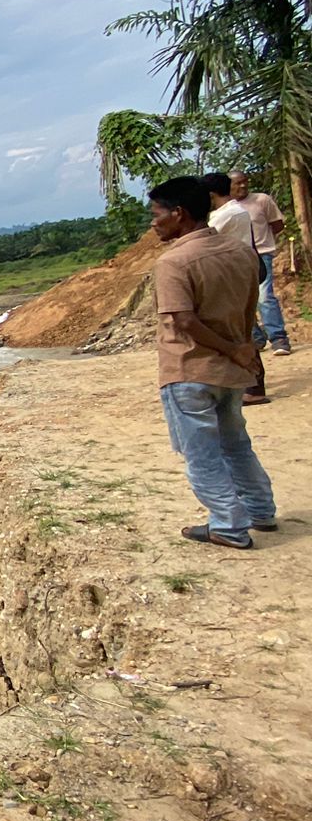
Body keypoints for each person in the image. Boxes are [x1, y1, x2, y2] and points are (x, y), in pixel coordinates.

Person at [148, 176, 276, 548]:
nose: (153, 223)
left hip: (189, 369)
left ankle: (227, 523)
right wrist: (239, 348)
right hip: (230, 371)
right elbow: (249, 305)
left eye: (157, 214)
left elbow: (184, 321)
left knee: (200, 453)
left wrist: (230, 348)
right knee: (236, 444)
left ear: (179, 213)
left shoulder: (173, 262)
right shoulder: (241, 253)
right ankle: (261, 511)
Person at [201, 173, 269, 404]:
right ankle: (251, 383)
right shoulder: (235, 211)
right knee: (243, 328)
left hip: (234, 274)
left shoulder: (226, 215)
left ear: (211, 195)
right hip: (240, 271)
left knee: (243, 331)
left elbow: (202, 236)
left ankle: (255, 385)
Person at [228, 170, 292, 355]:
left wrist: (265, 242)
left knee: (264, 296)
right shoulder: (226, 208)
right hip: (237, 259)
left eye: (244, 182)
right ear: (228, 186)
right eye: (237, 183)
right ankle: (256, 338)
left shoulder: (262, 200)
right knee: (242, 301)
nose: (243, 186)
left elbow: (277, 224)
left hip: (262, 255)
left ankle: (279, 339)